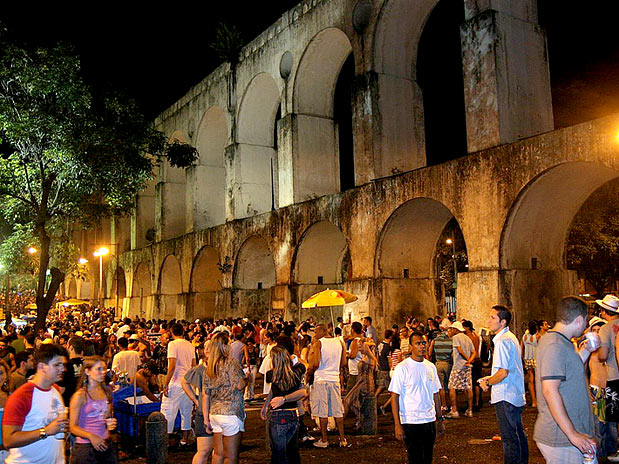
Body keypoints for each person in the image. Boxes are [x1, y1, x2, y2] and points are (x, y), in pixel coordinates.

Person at [533, 295, 597, 463]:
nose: (585, 326)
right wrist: (572, 434)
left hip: (567, 436)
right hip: (560, 438)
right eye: (586, 321)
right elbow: (549, 390)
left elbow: (568, 371)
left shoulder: (561, 342)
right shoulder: (555, 345)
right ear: (579, 319)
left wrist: (587, 351)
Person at [2, 344, 69, 464]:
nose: (63, 369)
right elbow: (8, 440)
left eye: (63, 365)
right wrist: (45, 431)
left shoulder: (55, 390)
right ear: (42, 366)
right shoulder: (22, 396)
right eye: (57, 365)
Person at [479, 305, 528, 464]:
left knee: (509, 439)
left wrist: (487, 381)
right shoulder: (510, 337)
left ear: (503, 322)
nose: (489, 321)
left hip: (506, 395)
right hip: (513, 394)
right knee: (517, 435)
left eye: (493, 318)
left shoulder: (502, 341)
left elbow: (502, 372)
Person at [389, 331, 445, 464]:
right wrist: (397, 424)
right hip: (410, 421)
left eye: (424, 343)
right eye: (418, 343)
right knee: (415, 458)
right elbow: (394, 397)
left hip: (429, 420)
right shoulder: (402, 368)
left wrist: (440, 419)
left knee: (427, 458)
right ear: (410, 347)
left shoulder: (430, 367)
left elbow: (435, 394)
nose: (422, 346)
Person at [202, 332, 248, 464]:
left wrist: (206, 419)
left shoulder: (209, 367)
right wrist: (247, 380)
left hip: (214, 413)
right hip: (230, 412)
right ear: (224, 346)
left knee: (218, 454)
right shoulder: (231, 363)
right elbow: (239, 385)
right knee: (231, 457)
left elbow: (206, 394)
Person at [260, 346, 307, 464]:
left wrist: (266, 405)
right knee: (293, 451)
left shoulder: (271, 375)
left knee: (278, 453)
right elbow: (302, 364)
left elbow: (273, 390)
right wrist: (293, 358)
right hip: (293, 413)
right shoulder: (297, 371)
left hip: (278, 415)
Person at [69, 356, 118, 464]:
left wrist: (110, 423)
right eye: (99, 369)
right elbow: (72, 427)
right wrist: (91, 436)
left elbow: (107, 417)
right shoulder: (80, 395)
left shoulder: (107, 392)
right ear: (87, 371)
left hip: (105, 443)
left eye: (105, 369)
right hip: (86, 446)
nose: (103, 372)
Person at [307, 324, 347, 448]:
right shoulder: (339, 343)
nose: (314, 334)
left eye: (316, 332)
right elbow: (344, 362)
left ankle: (324, 440)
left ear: (323, 331)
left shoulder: (319, 343)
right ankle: (342, 439)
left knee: (322, 411)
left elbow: (315, 363)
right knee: (337, 410)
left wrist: (309, 373)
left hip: (321, 379)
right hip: (334, 379)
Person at [162, 323, 196, 446]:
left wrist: (166, 384)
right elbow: (194, 366)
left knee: (168, 412)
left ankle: (165, 441)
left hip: (175, 382)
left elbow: (172, 366)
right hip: (187, 383)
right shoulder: (190, 345)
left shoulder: (172, 344)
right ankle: (184, 440)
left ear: (171, 333)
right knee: (186, 412)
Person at [181, 341, 213, 464]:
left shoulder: (205, 368)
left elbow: (184, 382)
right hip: (209, 411)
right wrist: (195, 399)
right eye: (205, 347)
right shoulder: (200, 369)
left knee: (209, 451)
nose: (207, 349)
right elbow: (184, 382)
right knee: (206, 451)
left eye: (210, 347)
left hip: (211, 411)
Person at [597, 294, 619, 462]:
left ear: (604, 311)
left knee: (612, 418)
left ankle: (613, 450)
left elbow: (603, 355)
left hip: (613, 376)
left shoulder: (605, 329)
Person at [428, 318, 453, 413]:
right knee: (450, 386)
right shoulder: (451, 340)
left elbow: (430, 352)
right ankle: (451, 405)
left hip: (438, 363)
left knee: (441, 386)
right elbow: (452, 354)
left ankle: (444, 405)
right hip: (447, 363)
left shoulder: (435, 340)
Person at [520, 320, 539, 408]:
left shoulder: (524, 337)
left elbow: (521, 349)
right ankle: (539, 399)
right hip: (536, 359)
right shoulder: (537, 336)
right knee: (538, 380)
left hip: (527, 359)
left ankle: (533, 401)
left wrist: (522, 359)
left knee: (531, 380)